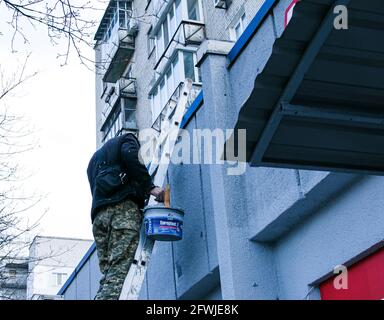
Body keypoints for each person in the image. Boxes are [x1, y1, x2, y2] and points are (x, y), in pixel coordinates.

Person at [87, 132, 164, 300]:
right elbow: (131, 156)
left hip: (99, 219)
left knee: (109, 273)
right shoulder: (128, 139)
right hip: (122, 211)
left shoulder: (94, 160)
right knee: (120, 269)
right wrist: (150, 187)